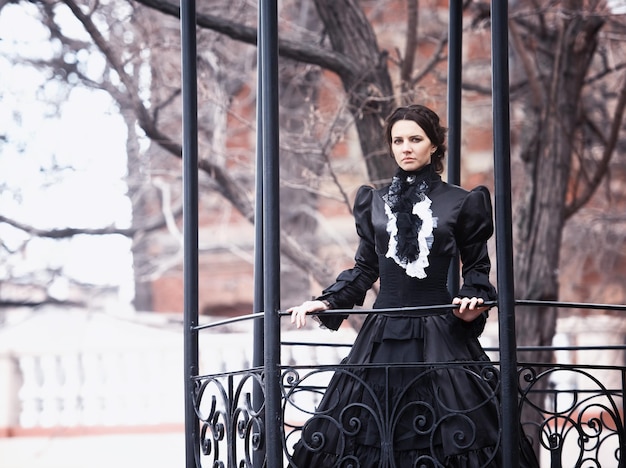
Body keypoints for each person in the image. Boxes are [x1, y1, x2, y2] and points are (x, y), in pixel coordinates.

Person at [286, 104, 538, 467]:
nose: (405, 148)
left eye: (415, 139)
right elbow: (365, 268)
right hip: (381, 337)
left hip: (442, 337)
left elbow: (478, 270)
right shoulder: (374, 202)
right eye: (398, 140)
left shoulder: (461, 202)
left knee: (457, 431)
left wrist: (471, 304)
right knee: (363, 428)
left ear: (434, 145)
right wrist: (325, 302)